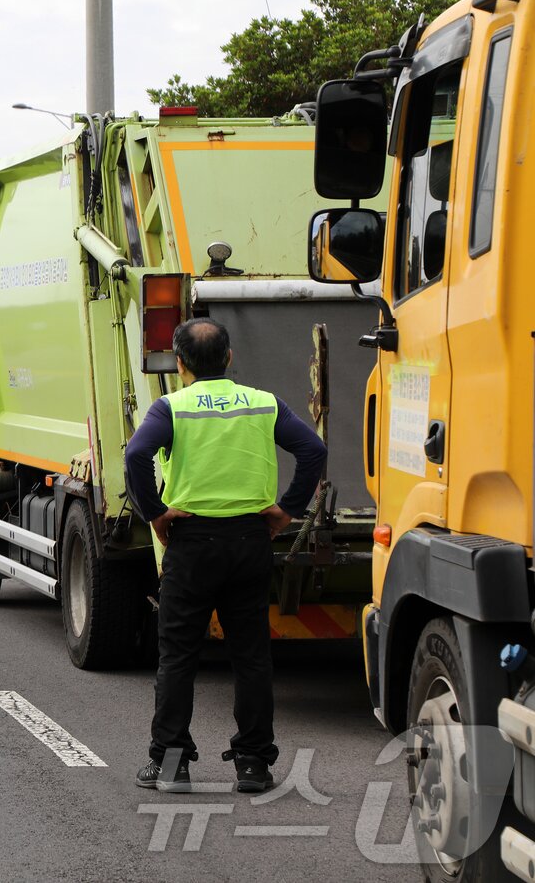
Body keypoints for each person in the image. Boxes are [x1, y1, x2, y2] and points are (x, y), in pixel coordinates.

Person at [125, 318, 326, 795]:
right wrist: (287, 509)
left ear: (179, 364)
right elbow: (313, 450)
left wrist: (156, 513)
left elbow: (136, 456)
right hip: (249, 541)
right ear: (229, 358)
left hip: (191, 544)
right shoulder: (263, 403)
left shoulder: (170, 407)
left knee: (177, 656)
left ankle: (171, 765)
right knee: (251, 656)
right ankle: (253, 765)